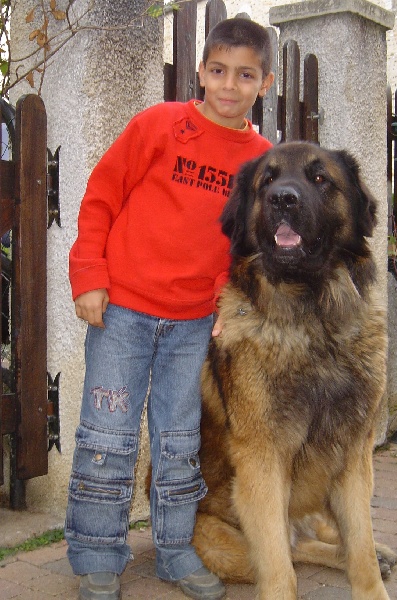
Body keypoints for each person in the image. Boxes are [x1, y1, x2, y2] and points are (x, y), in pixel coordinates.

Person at [65, 17, 275, 600]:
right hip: (122, 313)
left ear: (265, 83)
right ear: (200, 71)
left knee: (180, 441)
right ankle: (97, 554)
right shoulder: (158, 126)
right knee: (107, 433)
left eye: (245, 75)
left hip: (194, 325)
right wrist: (89, 275)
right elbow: (100, 197)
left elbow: (248, 244)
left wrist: (230, 302)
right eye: (218, 71)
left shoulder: (262, 160)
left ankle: (177, 549)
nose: (229, 85)